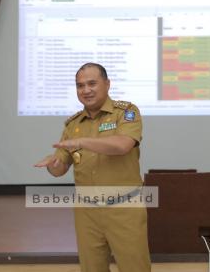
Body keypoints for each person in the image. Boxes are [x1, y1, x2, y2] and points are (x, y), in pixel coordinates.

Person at [35, 62, 151, 272]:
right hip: (87, 210)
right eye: (80, 86)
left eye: (92, 83)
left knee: (135, 268)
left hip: (124, 207)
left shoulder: (125, 112)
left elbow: (122, 145)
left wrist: (83, 142)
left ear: (107, 84)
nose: (85, 90)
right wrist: (52, 164)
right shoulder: (73, 124)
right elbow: (60, 168)